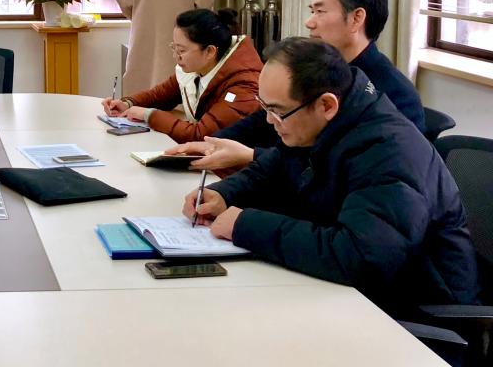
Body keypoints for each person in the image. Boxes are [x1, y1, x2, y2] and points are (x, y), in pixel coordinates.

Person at [182, 37, 479, 316]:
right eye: (265, 107)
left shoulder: (389, 153)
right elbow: (276, 165)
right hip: (353, 293)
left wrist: (246, 225)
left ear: (326, 105)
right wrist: (225, 193)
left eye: (277, 111)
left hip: (414, 310)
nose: (270, 121)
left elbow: (362, 258)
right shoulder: (325, 123)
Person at [167, 0, 425, 173]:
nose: (309, 22)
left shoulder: (394, 95)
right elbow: (264, 118)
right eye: (312, 11)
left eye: (320, 11)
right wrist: (212, 143)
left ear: (356, 18)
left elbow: (336, 168)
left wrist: (252, 156)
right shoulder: (316, 67)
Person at [100, 9, 261, 142]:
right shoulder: (199, 68)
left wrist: (149, 115)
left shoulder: (243, 86)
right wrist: (127, 103)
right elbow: (159, 96)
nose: (176, 56)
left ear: (210, 51)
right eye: (174, 48)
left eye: (181, 50)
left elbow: (201, 135)